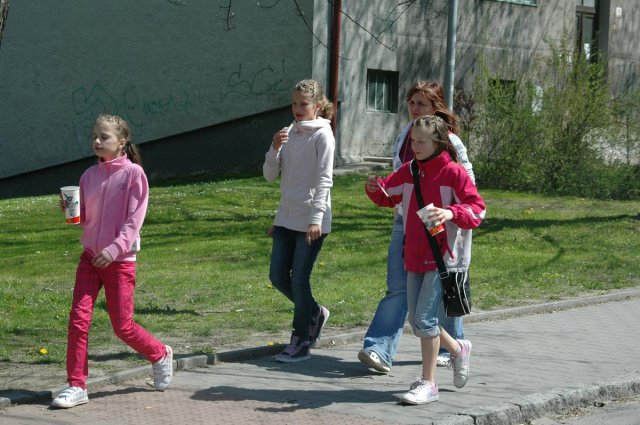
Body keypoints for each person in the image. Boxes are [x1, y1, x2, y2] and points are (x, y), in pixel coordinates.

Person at [51, 114, 173, 409]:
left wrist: (116, 249)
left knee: (123, 326)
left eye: (103, 137)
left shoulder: (134, 175)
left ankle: (160, 354)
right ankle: (76, 385)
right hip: (90, 258)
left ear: (121, 142)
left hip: (119, 260)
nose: (96, 141)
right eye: (94, 135)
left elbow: (135, 219)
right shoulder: (88, 176)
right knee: (78, 321)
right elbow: (86, 221)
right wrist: (72, 214)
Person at [366, 115, 485, 405]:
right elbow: (388, 196)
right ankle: (458, 349)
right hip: (414, 254)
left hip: (445, 257)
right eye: (413, 141)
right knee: (417, 319)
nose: (415, 146)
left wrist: (451, 213)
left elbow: (478, 210)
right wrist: (374, 188)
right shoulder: (409, 171)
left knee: (425, 319)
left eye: (421, 141)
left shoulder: (454, 173)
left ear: (438, 142)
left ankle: (429, 383)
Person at [358, 80, 475, 373]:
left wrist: (450, 213)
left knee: (441, 292)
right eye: (411, 103)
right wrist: (376, 189)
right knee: (398, 287)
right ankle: (380, 349)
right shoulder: (405, 136)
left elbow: (469, 191)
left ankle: (451, 351)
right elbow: (394, 186)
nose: (414, 109)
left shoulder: (451, 144)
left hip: (441, 230)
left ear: (435, 108)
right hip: (407, 222)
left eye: (421, 104)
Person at [263, 79, 335, 363]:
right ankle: (315, 312)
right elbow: (270, 175)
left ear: (317, 105)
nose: (297, 109)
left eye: (303, 104)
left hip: (311, 220)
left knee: (300, 279)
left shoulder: (323, 136)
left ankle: (301, 339)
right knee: (278, 277)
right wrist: (273, 149)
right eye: (294, 103)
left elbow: (324, 180)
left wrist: (315, 219)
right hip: (285, 218)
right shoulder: (288, 132)